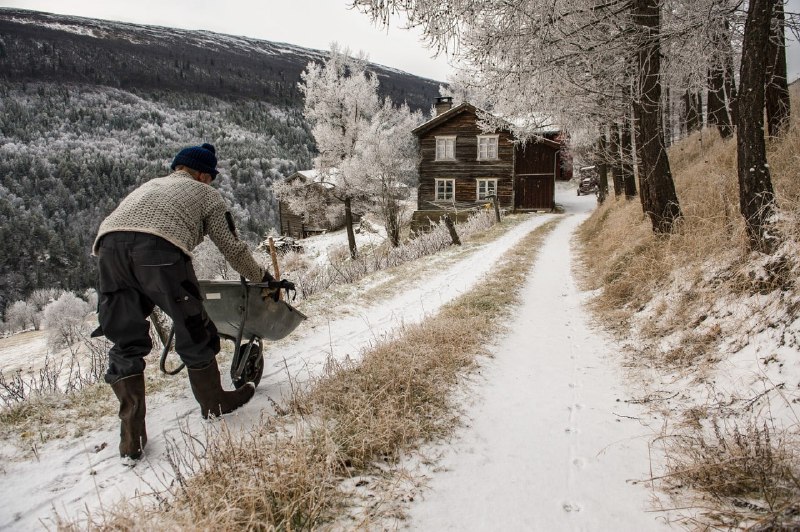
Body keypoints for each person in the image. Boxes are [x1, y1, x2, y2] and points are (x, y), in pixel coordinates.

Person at [92, 143, 274, 460]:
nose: (211, 183)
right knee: (193, 324)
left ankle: (131, 439)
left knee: (124, 337)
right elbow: (232, 248)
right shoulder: (207, 195)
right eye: (211, 177)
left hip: (108, 246)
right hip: (158, 249)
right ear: (203, 175)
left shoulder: (150, 186)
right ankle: (214, 402)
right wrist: (262, 277)